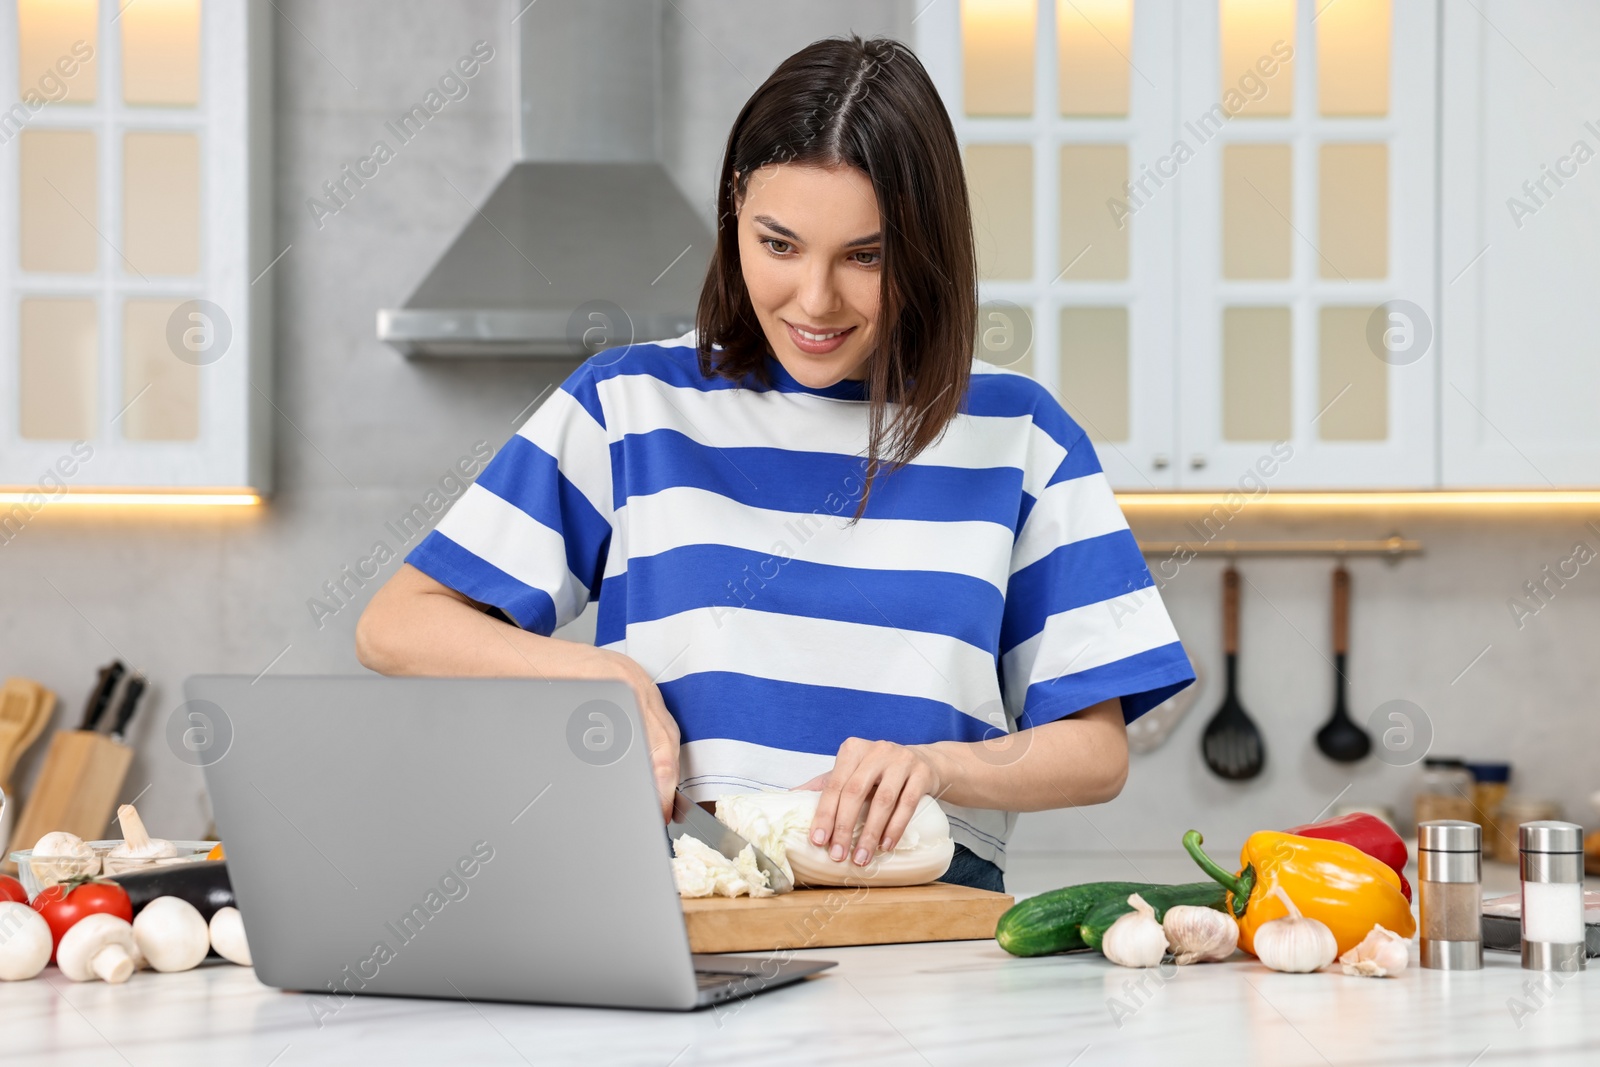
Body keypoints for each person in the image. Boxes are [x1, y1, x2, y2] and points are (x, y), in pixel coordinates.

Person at [357, 33, 1194, 893]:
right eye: (780, 244)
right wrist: (598, 669)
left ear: (928, 247)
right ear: (734, 217)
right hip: (676, 913)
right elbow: (397, 623)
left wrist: (939, 767)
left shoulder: (1024, 436)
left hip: (924, 942)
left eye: (865, 256)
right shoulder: (630, 404)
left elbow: (1096, 752)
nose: (816, 300)